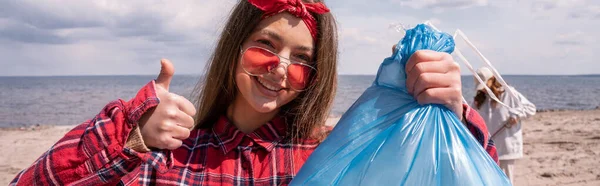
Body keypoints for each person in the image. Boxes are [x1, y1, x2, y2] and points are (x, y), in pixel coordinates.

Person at [11, 0, 498, 185]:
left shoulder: (330, 157)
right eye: (264, 46)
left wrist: (450, 113)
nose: (280, 69)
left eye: (302, 59)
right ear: (233, 50)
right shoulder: (168, 159)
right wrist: (130, 135)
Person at [472, 67, 536, 184]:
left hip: (506, 148)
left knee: (506, 181)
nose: (483, 90)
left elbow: (530, 108)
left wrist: (516, 115)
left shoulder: (508, 93)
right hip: (487, 148)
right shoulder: (480, 99)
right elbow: (472, 118)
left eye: (484, 85)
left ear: (491, 80)